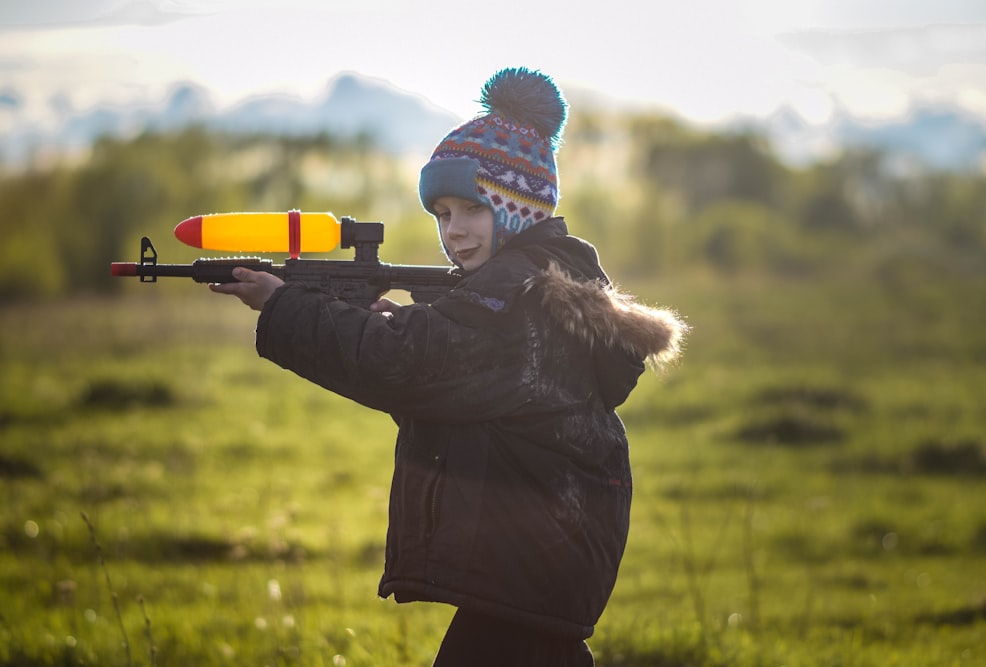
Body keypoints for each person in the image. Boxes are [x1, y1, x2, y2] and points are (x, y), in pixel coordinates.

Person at [210, 67, 686, 666]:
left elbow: (403, 364)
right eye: (441, 215)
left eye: (471, 211)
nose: (454, 232)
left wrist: (281, 305)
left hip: (528, 579)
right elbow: (445, 379)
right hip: (534, 578)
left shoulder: (517, 299)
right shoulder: (534, 290)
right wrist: (388, 321)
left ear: (516, 210)